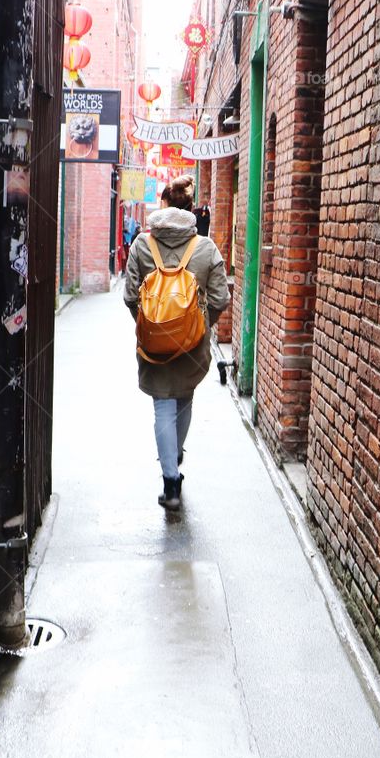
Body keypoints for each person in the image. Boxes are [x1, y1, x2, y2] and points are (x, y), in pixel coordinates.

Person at [124, 175, 229, 510]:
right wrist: (197, 327)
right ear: (191, 210)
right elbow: (220, 297)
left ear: (164, 205)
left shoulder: (142, 245)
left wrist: (153, 327)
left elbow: (130, 296)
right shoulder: (206, 248)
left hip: (153, 348)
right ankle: (175, 456)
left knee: (161, 406)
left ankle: (171, 485)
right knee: (184, 398)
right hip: (193, 346)